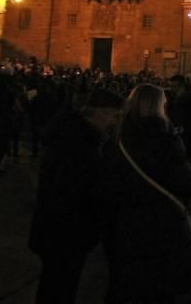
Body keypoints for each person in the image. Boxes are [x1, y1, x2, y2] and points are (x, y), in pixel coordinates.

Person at [103, 83, 191, 302]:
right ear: (158, 107)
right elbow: (185, 183)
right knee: (159, 287)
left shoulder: (118, 137)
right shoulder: (165, 140)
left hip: (125, 226)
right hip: (160, 227)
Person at [28, 89, 124, 302]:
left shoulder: (75, 136)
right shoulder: (79, 145)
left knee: (54, 285)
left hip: (58, 231)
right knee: (59, 288)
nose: (116, 122)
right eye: (114, 116)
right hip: (65, 232)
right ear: (98, 113)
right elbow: (75, 192)